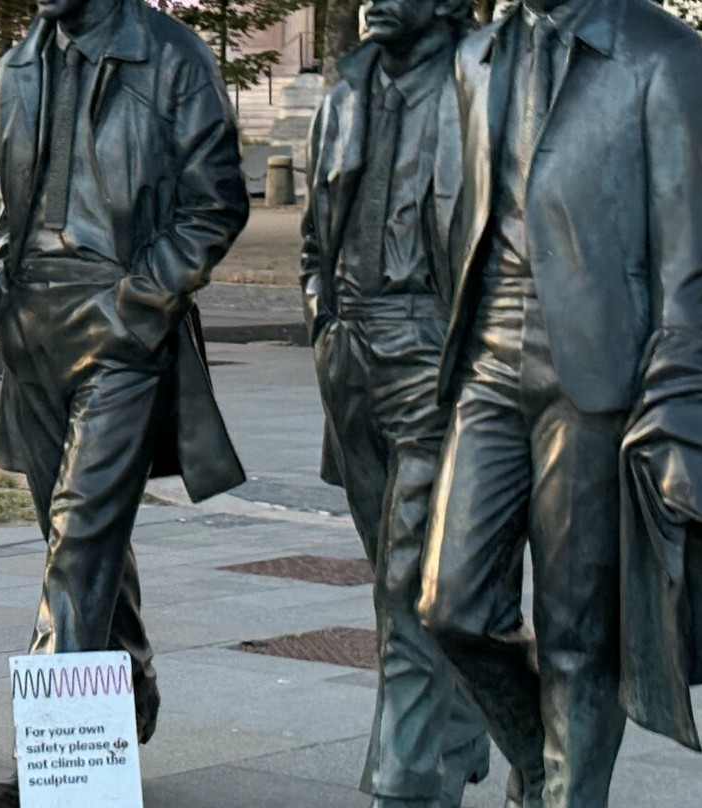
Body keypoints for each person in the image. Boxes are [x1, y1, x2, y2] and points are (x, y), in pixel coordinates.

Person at [416, 1, 702, 806]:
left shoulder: (663, 53)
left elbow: (692, 258)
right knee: (450, 605)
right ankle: (547, 765)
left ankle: (569, 792)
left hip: (600, 374)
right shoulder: (477, 55)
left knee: (577, 636)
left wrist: (678, 402)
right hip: (488, 360)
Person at [0, 0, 249, 803]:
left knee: (80, 536)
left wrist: (140, 302)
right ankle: (125, 688)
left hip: (119, 320)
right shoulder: (21, 60)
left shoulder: (171, 55)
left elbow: (217, 201)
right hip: (32, 322)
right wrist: (2, 297)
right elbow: (6, 197)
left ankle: (54, 755)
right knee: (75, 532)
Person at [300, 2, 491, 807]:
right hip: (350, 349)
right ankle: (464, 721)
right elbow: (315, 236)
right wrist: (322, 316)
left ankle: (402, 785)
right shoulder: (347, 89)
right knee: (396, 569)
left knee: (407, 579)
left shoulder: (486, 84)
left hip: (434, 350)